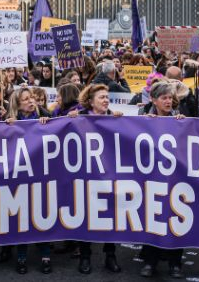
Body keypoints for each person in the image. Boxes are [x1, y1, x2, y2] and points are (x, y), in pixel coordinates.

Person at [68, 83, 123, 274]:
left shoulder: (114, 118)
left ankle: (110, 255)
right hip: (86, 176)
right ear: (90, 101)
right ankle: (85, 257)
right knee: (86, 216)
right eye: (101, 97)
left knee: (111, 216)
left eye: (107, 97)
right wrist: (69, 120)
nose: (106, 100)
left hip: (109, 176)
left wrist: (121, 121)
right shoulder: (79, 118)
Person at [2, 86, 51, 274]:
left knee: (43, 214)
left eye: (32, 98)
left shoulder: (45, 116)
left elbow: (64, 123)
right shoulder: (8, 120)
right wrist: (8, 127)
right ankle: (21, 256)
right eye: (25, 99)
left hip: (42, 176)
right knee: (22, 216)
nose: (31, 101)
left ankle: (45, 255)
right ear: (17, 103)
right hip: (19, 177)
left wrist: (49, 122)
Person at [139, 82, 185, 279]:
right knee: (152, 219)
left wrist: (184, 124)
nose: (168, 101)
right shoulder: (143, 119)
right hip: (150, 179)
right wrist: (143, 123)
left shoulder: (179, 118)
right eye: (164, 98)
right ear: (153, 100)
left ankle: (175, 262)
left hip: (175, 179)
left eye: (170, 98)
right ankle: (150, 261)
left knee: (176, 219)